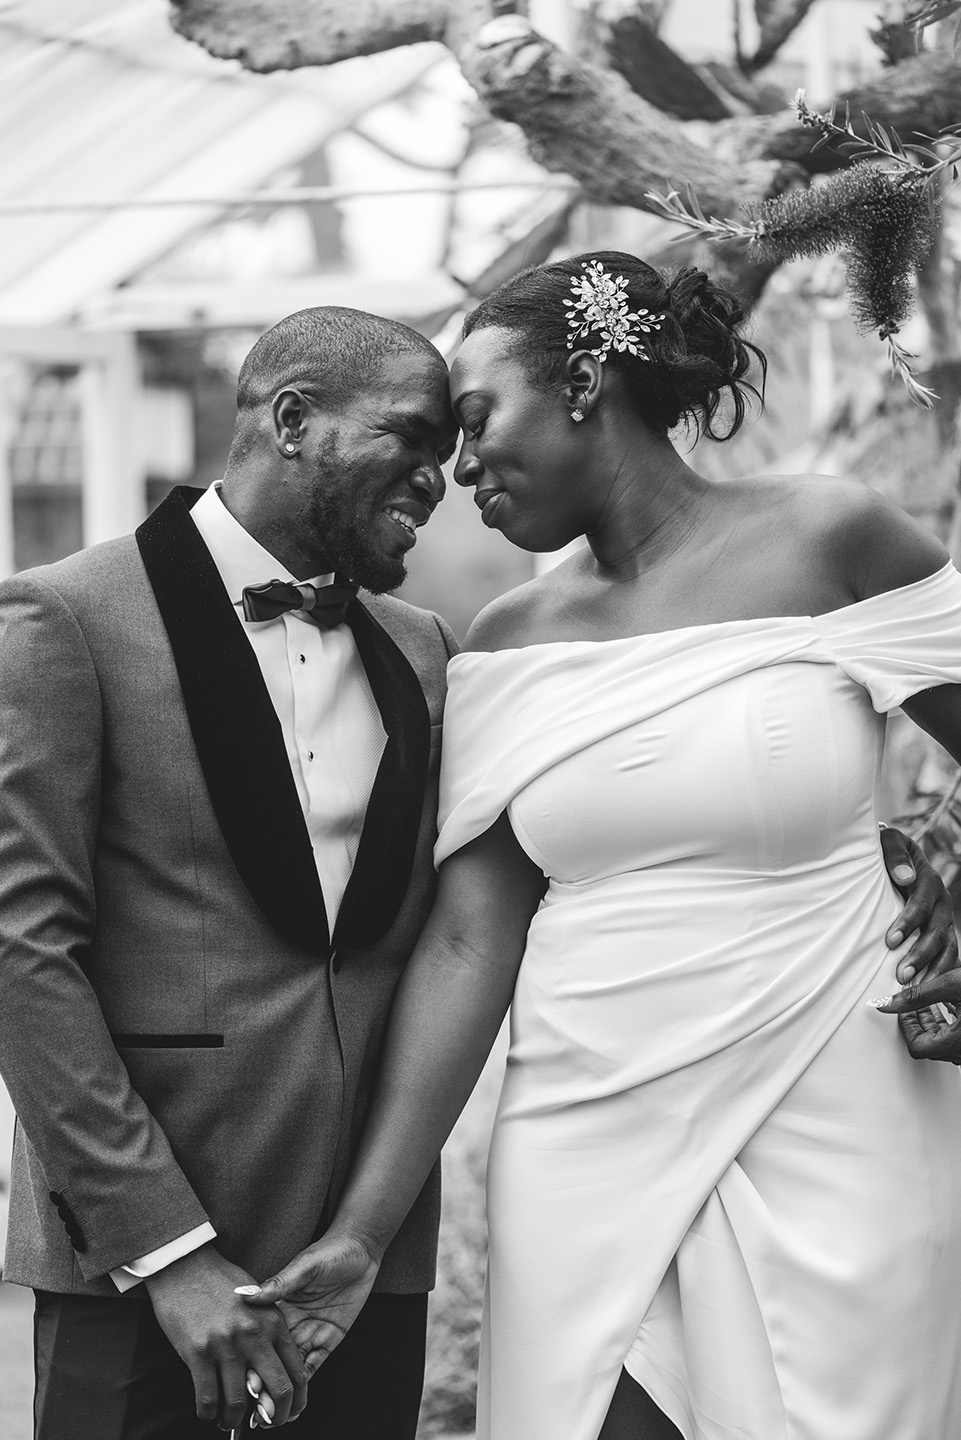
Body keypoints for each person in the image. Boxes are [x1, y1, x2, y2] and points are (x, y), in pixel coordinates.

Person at [240, 256, 961, 1440]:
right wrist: (362, 1232)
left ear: (581, 382)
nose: (455, 469)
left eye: (474, 422)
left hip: (840, 1112)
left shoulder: (828, 537)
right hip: (586, 1130)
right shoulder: (503, 643)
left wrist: (945, 834)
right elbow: (471, 943)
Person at [0, 306, 460, 1439]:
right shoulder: (65, 615)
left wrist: (371, 1229)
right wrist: (168, 1254)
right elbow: (22, 951)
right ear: (294, 420)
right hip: (150, 1263)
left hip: (360, 1271)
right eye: (411, 436)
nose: (438, 478)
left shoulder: (423, 649)